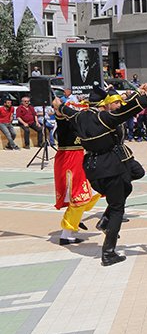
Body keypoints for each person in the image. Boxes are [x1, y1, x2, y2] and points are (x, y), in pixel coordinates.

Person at [55, 85, 147, 266]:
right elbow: (129, 110)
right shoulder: (104, 118)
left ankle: (106, 222)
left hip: (92, 169)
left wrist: (57, 105)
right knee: (117, 209)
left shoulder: (79, 117)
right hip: (110, 167)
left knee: (126, 187)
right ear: (103, 104)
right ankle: (108, 252)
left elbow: (63, 109)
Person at [51, 96, 100, 246]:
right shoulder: (64, 122)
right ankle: (66, 234)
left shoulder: (80, 122)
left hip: (79, 159)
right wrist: (58, 105)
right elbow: (59, 113)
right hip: (69, 161)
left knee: (93, 192)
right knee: (79, 196)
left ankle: (74, 221)